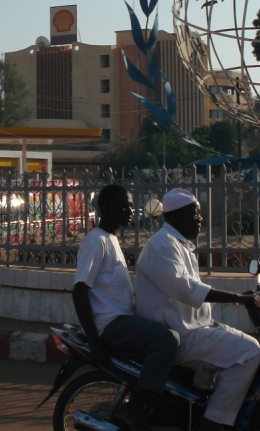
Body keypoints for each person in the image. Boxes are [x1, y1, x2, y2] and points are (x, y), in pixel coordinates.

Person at [135, 188, 260, 431]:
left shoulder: (179, 244)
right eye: (194, 214)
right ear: (174, 217)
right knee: (248, 353)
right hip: (180, 333)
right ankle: (214, 421)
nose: (200, 219)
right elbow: (186, 289)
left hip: (194, 328)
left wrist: (241, 298)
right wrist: (237, 298)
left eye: (199, 214)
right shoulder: (163, 246)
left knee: (250, 345)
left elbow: (193, 292)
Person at [73, 185, 179, 431]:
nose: (130, 211)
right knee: (167, 340)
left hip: (123, 320)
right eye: (123, 206)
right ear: (106, 209)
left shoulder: (111, 239)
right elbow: (80, 290)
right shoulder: (96, 241)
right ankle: (136, 405)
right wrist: (94, 341)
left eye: (131, 205)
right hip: (110, 325)